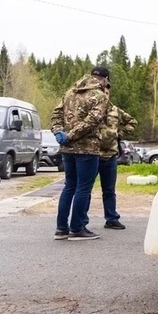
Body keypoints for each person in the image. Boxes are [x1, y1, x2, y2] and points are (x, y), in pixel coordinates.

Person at [51, 67, 111, 241]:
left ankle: (61, 229)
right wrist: (70, 135)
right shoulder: (100, 96)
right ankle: (77, 228)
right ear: (105, 80)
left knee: (69, 186)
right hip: (87, 148)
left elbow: (56, 115)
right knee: (83, 188)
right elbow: (92, 121)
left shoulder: (70, 92)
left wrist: (59, 133)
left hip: (67, 149)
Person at [96, 83, 137, 230]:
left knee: (109, 190)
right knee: (85, 189)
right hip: (93, 155)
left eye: (107, 92)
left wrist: (119, 135)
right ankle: (81, 222)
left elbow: (132, 122)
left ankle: (111, 218)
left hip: (110, 155)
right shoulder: (90, 110)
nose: (104, 94)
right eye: (101, 91)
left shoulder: (115, 110)